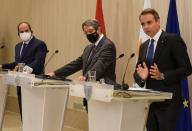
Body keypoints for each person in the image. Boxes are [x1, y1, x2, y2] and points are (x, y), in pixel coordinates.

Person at [134, 8, 192, 131]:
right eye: (143, 24)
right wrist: (142, 78)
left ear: (158, 21)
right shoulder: (144, 46)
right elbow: (137, 72)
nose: (145, 27)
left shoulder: (172, 40)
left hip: (168, 102)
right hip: (150, 102)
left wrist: (163, 75)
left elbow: (186, 68)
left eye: (149, 22)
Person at [47, 19, 116, 110]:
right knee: (92, 121)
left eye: (90, 31)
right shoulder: (89, 48)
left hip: (102, 91)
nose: (88, 35)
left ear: (99, 29)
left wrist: (85, 77)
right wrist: (55, 73)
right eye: (86, 33)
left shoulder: (108, 45)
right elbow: (76, 64)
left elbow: (100, 65)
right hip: (89, 90)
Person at [0, 22, 47, 119]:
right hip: (21, 82)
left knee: (34, 112)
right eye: (21, 31)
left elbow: (38, 62)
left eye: (26, 31)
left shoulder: (39, 44)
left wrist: (23, 69)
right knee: (23, 112)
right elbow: (17, 64)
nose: (24, 33)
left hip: (34, 82)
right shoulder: (18, 46)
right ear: (18, 34)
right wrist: (2, 66)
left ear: (31, 31)